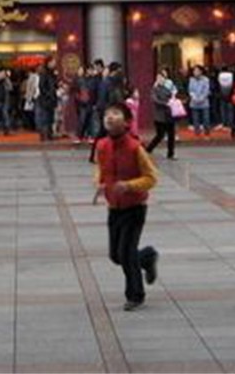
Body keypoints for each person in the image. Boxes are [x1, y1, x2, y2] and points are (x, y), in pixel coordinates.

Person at [92, 102, 160, 312]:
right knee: (116, 255)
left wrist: (129, 186)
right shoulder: (102, 146)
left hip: (135, 208)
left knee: (126, 252)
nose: (110, 117)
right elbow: (100, 170)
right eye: (107, 114)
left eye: (115, 114)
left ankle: (135, 295)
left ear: (127, 122)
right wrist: (100, 184)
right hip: (114, 207)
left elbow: (151, 177)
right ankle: (147, 257)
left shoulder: (135, 148)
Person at [145, 69, 178, 159]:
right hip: (159, 116)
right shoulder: (155, 89)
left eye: (162, 78)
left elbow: (173, 96)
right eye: (158, 78)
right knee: (160, 135)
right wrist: (166, 103)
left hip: (169, 115)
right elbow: (155, 100)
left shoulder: (168, 88)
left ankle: (170, 154)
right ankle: (148, 149)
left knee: (171, 135)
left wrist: (173, 99)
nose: (160, 79)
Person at [186, 67, 212, 138]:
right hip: (194, 102)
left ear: (201, 72)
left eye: (197, 71)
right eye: (194, 71)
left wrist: (201, 98)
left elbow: (206, 90)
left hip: (204, 102)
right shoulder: (191, 80)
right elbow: (190, 90)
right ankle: (197, 133)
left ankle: (207, 133)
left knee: (206, 119)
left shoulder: (206, 80)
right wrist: (194, 97)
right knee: (195, 119)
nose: (195, 72)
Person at [35, 63, 58, 141]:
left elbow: (54, 86)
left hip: (50, 99)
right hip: (45, 100)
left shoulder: (52, 75)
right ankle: (45, 135)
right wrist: (49, 94)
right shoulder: (44, 75)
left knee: (50, 118)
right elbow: (42, 87)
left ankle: (48, 134)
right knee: (45, 118)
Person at [217, 65, 235, 137]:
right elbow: (234, 85)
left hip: (222, 95)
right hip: (230, 95)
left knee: (223, 110)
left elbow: (218, 85)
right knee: (230, 110)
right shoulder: (232, 75)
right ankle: (230, 124)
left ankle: (224, 123)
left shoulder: (219, 75)